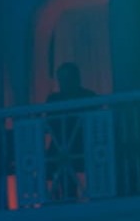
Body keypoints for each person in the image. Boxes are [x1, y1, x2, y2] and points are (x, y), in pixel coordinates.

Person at [45, 64, 100, 200]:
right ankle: (62, 199)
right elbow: (49, 124)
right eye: (62, 79)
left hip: (84, 145)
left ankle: (94, 196)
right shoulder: (54, 100)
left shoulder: (88, 96)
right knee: (50, 161)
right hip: (61, 147)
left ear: (76, 79)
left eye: (68, 79)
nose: (65, 83)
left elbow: (96, 124)